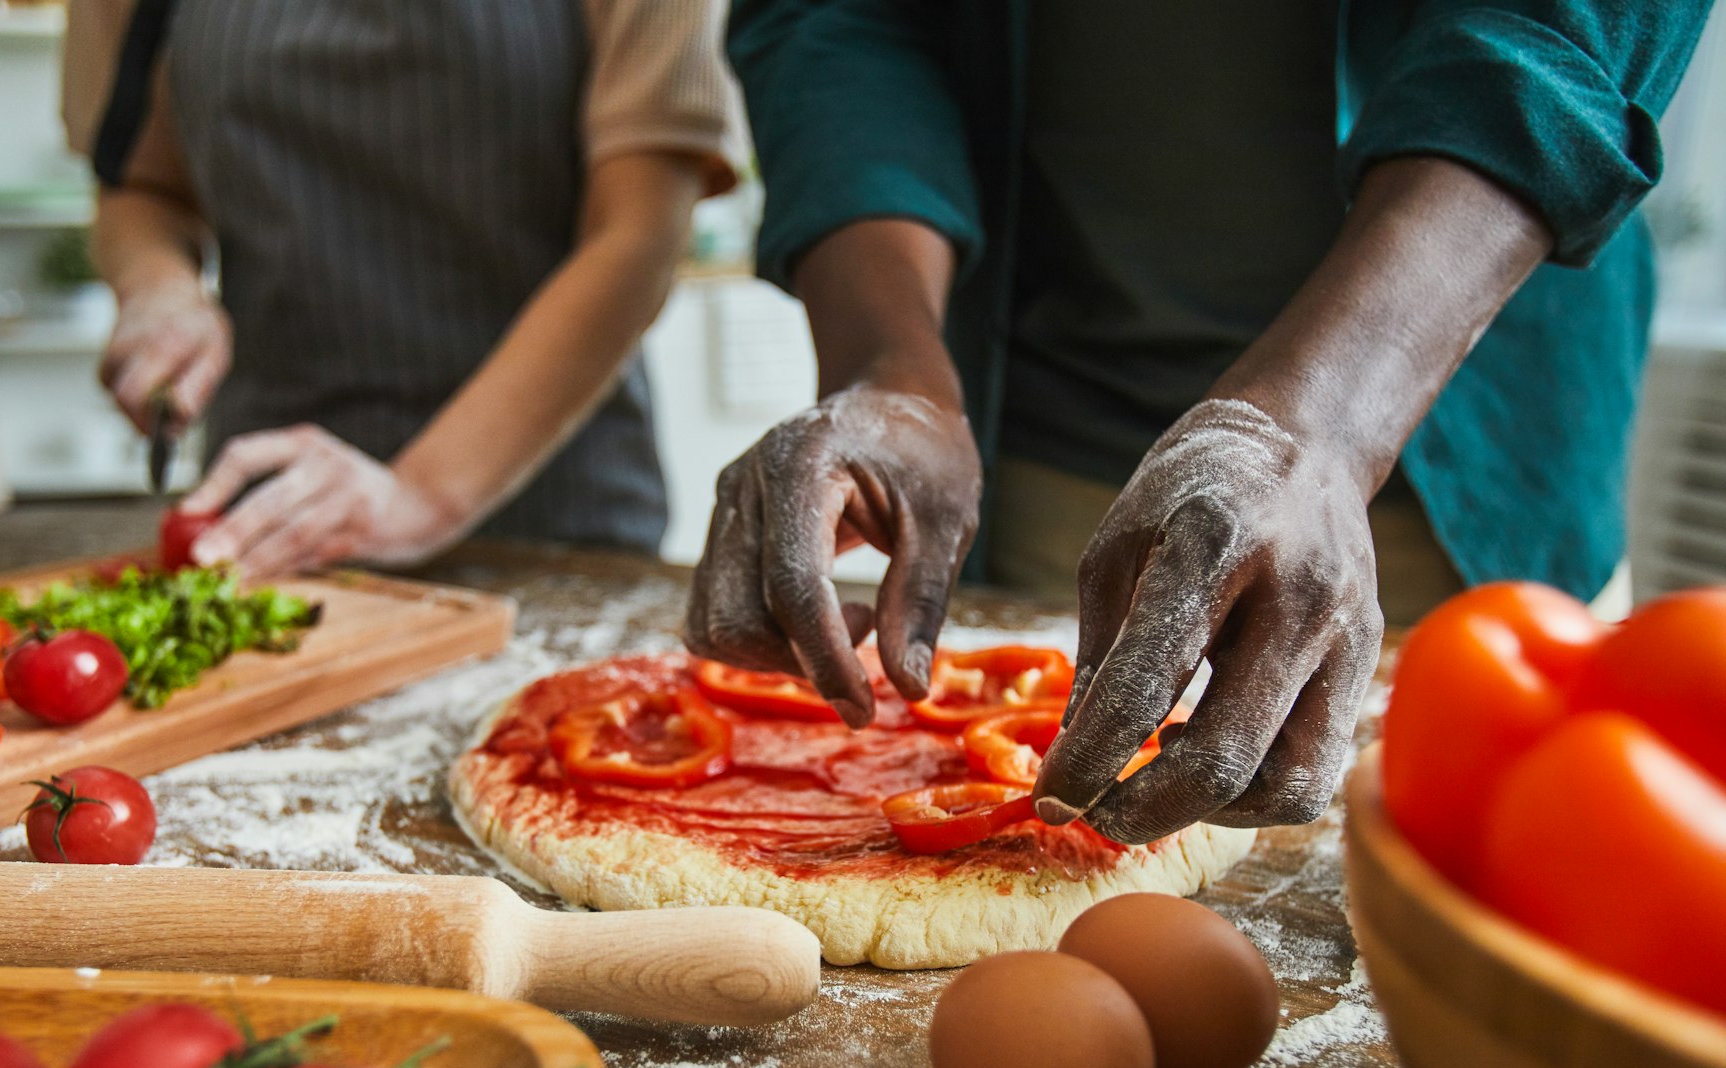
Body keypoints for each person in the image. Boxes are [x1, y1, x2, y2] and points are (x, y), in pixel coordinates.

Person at [686, 0, 1708, 845]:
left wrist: (1319, 427)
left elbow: (1558, 31)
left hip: (1472, 450)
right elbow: (838, 18)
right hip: (1039, 439)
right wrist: (888, 362)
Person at [63, 0, 736, 579]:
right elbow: (140, 187)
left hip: (554, 510)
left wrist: (420, 493)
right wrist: (159, 287)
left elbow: (638, 234)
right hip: (267, 521)